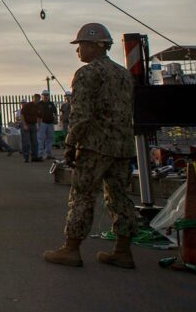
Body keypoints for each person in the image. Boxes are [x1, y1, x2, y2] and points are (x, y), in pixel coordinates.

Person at [44, 23, 140, 269]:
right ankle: (122, 251)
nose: (78, 51)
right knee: (120, 198)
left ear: (94, 46)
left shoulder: (87, 74)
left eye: (81, 46)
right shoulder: (124, 74)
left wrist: (70, 144)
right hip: (123, 147)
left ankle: (71, 249)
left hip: (95, 147)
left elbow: (81, 115)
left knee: (82, 197)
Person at [20, 94, 43, 163]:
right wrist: (24, 125)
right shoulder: (28, 105)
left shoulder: (39, 106)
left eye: (38, 99)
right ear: (33, 99)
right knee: (26, 142)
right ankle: (26, 157)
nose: (36, 100)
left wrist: (39, 125)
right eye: (35, 99)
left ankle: (34, 157)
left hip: (33, 125)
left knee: (35, 142)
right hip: (26, 124)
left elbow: (40, 117)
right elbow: (22, 115)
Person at [39, 89, 58, 160]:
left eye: (47, 95)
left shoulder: (51, 103)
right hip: (42, 123)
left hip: (50, 123)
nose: (46, 96)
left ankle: (48, 153)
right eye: (44, 95)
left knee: (50, 138)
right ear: (42, 96)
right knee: (41, 138)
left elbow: (55, 112)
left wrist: (55, 119)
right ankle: (40, 154)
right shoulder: (39, 104)